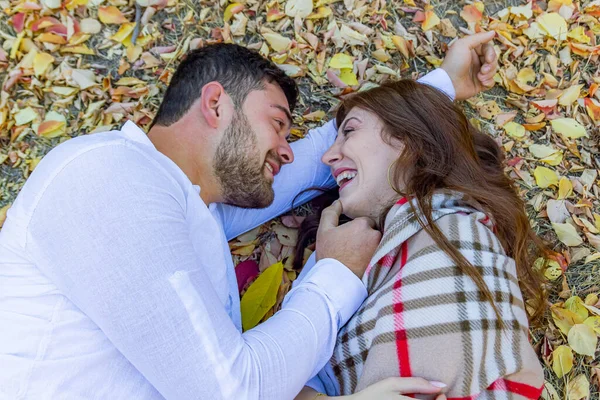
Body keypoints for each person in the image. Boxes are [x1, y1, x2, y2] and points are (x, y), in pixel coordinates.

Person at [0, 32, 498, 399]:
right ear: (216, 104)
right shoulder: (109, 174)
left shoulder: (192, 209)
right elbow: (231, 390)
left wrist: (445, 83)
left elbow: (323, 151)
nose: (288, 150)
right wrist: (335, 275)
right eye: (278, 125)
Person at [294, 80, 547, 400]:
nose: (328, 156)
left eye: (349, 132)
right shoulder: (402, 243)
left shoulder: (456, 238)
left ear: (410, 139)